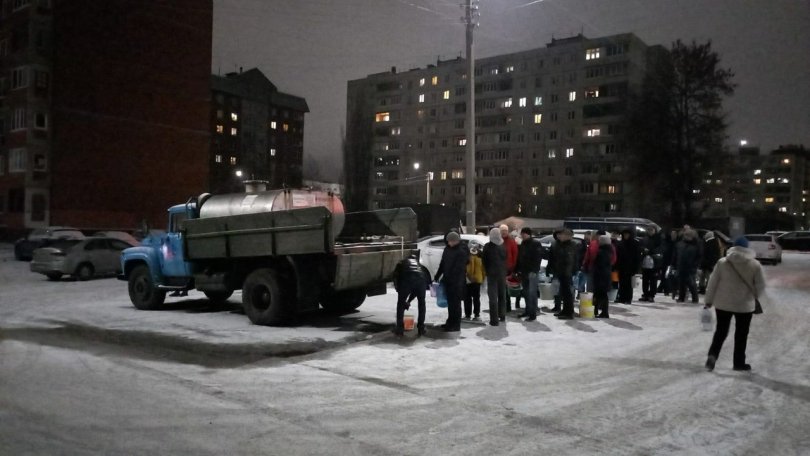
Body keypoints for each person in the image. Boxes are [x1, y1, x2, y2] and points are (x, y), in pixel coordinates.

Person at [704, 237, 766, 372]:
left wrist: (708, 300)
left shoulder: (722, 262)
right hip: (744, 306)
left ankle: (712, 356)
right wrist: (753, 295)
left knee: (720, 332)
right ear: (748, 248)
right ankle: (738, 363)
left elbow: (712, 283)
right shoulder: (754, 265)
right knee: (741, 335)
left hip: (723, 304)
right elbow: (761, 285)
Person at [434, 231, 469, 332]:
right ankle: (450, 322)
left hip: (457, 282)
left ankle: (456, 325)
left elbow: (459, 269)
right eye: (448, 241)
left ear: (455, 241)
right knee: (450, 303)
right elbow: (443, 263)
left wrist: (450, 278)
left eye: (450, 241)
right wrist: (437, 275)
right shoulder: (447, 249)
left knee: (455, 304)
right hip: (447, 280)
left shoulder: (461, 251)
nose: (449, 243)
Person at [391, 253, 430, 336]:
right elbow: (418, 288)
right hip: (421, 281)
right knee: (422, 304)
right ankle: (421, 328)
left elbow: (395, 277)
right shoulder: (420, 266)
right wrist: (408, 301)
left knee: (400, 305)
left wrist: (402, 296)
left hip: (406, 281)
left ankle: (399, 329)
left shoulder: (401, 263)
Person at [515, 227, 542, 321]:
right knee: (526, 293)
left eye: (524, 234)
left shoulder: (535, 244)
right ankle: (527, 310)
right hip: (524, 272)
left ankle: (532, 314)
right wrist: (518, 270)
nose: (522, 235)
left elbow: (538, 258)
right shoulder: (523, 244)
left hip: (532, 272)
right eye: (522, 234)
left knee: (532, 293)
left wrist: (534, 271)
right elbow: (520, 258)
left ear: (528, 234)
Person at [482, 227, 508, 326]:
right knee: (502, 296)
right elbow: (505, 258)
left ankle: (494, 320)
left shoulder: (487, 247)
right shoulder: (503, 246)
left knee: (493, 297)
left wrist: (487, 270)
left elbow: (484, 260)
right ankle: (502, 315)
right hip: (502, 273)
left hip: (492, 275)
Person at [550, 228, 577, 320]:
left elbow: (569, 260)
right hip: (561, 271)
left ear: (567, 236)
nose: (560, 236)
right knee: (563, 292)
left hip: (566, 272)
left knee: (567, 293)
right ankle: (565, 310)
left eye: (562, 235)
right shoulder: (561, 244)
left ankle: (569, 312)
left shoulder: (571, 245)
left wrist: (567, 271)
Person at [676, 229, 702, 303]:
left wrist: (695, 265)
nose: (686, 237)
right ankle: (681, 297)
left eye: (688, 235)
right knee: (681, 283)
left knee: (691, 283)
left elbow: (699, 256)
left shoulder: (696, 244)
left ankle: (695, 298)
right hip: (681, 265)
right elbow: (677, 254)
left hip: (691, 266)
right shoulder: (681, 244)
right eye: (685, 235)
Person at [616, 228, 640, 304]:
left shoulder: (634, 243)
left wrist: (636, 268)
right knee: (622, 283)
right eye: (624, 234)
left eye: (627, 234)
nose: (626, 236)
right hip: (621, 266)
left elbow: (637, 257)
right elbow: (618, 255)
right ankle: (621, 297)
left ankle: (628, 298)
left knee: (629, 284)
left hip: (630, 267)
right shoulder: (621, 243)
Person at [593, 234, 614, 318]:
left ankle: (603, 312)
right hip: (605, 275)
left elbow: (599, 265)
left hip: (601, 276)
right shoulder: (609, 251)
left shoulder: (601, 252)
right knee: (601, 294)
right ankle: (599, 311)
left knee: (601, 294)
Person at [464, 242, 485, 321]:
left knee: (470, 298)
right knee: (473, 298)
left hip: (471, 280)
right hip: (474, 280)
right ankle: (473, 314)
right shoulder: (479, 257)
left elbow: (470, 269)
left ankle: (470, 314)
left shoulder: (469, 257)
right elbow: (483, 269)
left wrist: (470, 276)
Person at [500, 224, 519, 310]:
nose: (504, 232)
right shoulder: (498, 241)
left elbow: (515, 254)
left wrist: (513, 267)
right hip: (499, 268)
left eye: (505, 231)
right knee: (501, 288)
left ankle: (507, 305)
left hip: (508, 268)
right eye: (502, 231)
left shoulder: (511, 241)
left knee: (506, 288)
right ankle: (502, 304)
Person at [574, 231, 592, 298]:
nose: (587, 237)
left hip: (585, 265)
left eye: (588, 236)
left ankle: (580, 293)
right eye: (586, 235)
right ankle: (579, 293)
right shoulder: (581, 244)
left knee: (583, 281)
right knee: (580, 280)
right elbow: (579, 255)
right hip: (580, 264)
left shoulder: (591, 245)